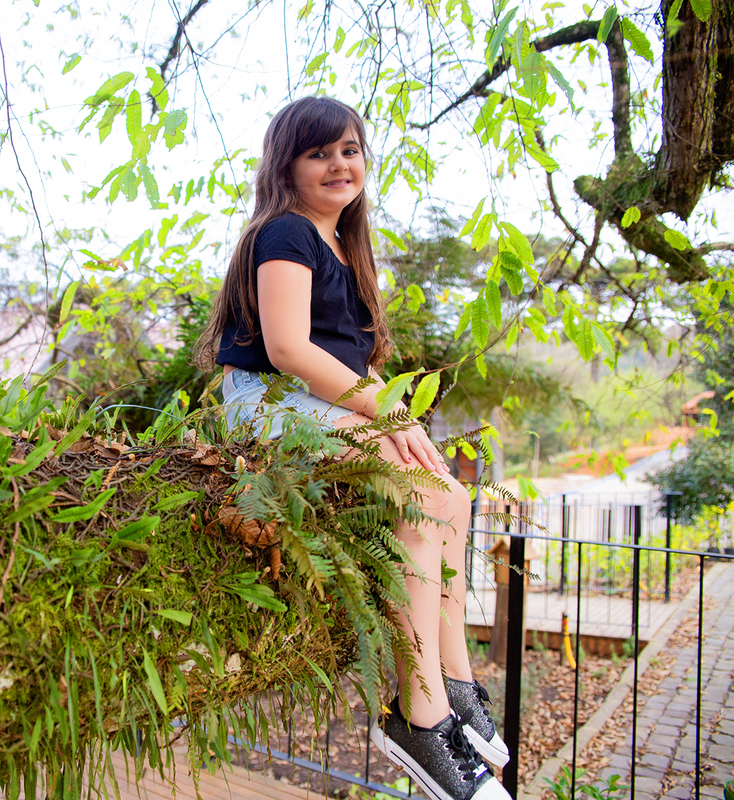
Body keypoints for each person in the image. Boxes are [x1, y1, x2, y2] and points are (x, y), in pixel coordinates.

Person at [193, 96, 510, 800]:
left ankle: (455, 683)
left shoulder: (343, 245)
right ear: (288, 166)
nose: (340, 163)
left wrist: (401, 419)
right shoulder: (285, 233)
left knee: (452, 497)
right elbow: (286, 347)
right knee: (424, 500)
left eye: (350, 149)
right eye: (320, 152)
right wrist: (382, 413)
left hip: (322, 400)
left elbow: (352, 361)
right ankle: (417, 719)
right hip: (270, 404)